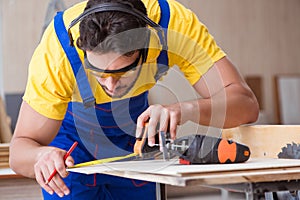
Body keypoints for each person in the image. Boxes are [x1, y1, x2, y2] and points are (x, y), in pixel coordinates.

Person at [9, 0, 259, 199]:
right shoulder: (59, 49)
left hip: (135, 142)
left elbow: (246, 105)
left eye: (121, 73)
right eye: (98, 74)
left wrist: (184, 109)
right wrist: (40, 157)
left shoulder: (174, 26)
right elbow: (20, 150)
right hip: (71, 149)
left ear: (148, 46)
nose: (109, 85)